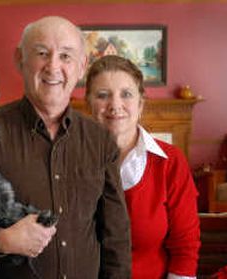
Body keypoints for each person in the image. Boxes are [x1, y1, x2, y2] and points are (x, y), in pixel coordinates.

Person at [0, 17, 131, 279]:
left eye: (66, 56)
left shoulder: (99, 140)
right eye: (42, 53)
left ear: (81, 67)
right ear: (20, 59)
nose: (53, 66)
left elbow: (116, 238)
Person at [85, 55, 200, 279]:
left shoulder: (171, 162)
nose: (115, 105)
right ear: (89, 104)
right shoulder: (71, 162)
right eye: (103, 95)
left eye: (126, 94)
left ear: (140, 104)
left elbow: (185, 247)